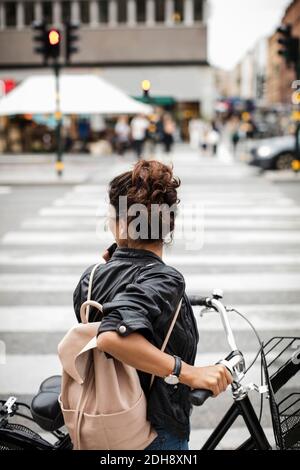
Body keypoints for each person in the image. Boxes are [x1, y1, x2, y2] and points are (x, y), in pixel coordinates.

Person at [73, 160, 232, 451]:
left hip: (101, 419)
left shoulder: (92, 276)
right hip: (153, 433)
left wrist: (117, 263)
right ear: (168, 225)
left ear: (121, 224)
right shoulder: (163, 279)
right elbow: (111, 335)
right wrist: (190, 373)